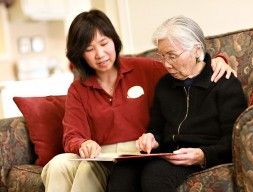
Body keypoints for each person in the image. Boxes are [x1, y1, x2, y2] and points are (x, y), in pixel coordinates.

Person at [41, 10, 236, 192]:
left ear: (114, 41)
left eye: (104, 43)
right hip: (101, 156)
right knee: (58, 164)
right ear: (80, 54)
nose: (100, 54)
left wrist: (219, 60)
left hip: (139, 151)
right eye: (89, 49)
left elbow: (188, 69)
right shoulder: (78, 89)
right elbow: (73, 135)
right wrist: (83, 144)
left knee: (86, 171)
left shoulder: (145, 69)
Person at [107, 16, 247, 192]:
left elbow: (233, 138)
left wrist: (203, 155)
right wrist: (151, 138)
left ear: (196, 50)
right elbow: (156, 127)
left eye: (172, 56)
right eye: (162, 56)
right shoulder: (164, 85)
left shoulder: (224, 83)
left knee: (155, 175)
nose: (166, 64)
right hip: (168, 154)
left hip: (203, 154)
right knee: (122, 171)